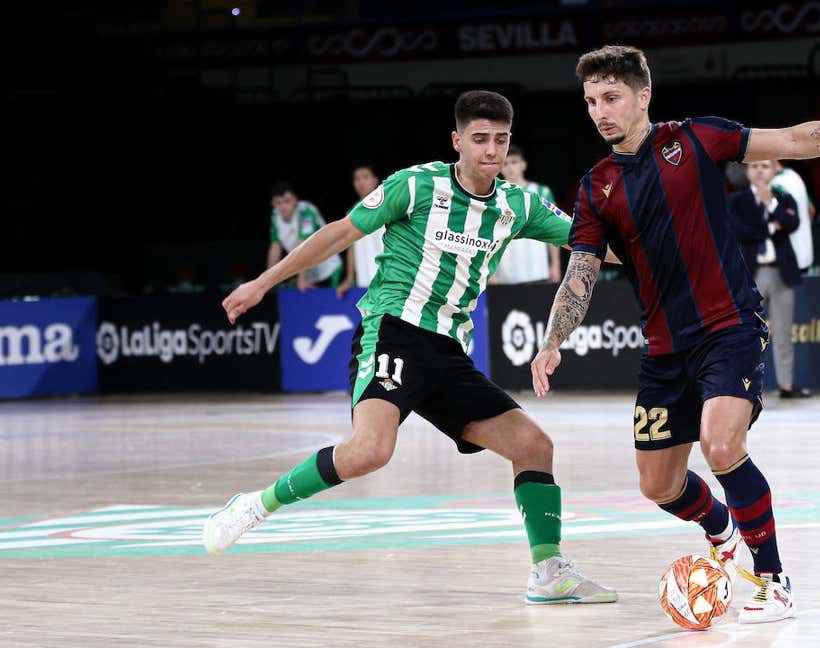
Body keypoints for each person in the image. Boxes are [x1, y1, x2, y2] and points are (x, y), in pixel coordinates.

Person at [530, 44, 820, 623]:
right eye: (591, 101)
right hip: (664, 350)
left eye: (611, 97)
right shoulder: (597, 186)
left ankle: (773, 577)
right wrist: (552, 338)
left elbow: (793, 140)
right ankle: (721, 527)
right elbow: (581, 272)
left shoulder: (694, 138)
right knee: (657, 484)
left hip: (730, 326)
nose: (599, 111)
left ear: (644, 95)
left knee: (720, 443)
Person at [205, 90, 617, 606]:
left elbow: (594, 244)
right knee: (370, 452)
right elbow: (337, 234)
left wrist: (673, 245)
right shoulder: (416, 185)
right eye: (480, 139)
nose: (491, 151)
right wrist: (264, 283)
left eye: (501, 140)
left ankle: (548, 572)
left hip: (448, 353)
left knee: (535, 446)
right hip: (394, 329)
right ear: (457, 140)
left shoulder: (520, 205)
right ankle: (256, 505)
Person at [729, 160, 803, 399]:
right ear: (748, 172)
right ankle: (745, 386)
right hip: (752, 273)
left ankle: (786, 386)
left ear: (774, 171)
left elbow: (792, 223)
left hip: (780, 271)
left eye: (765, 166)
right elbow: (741, 231)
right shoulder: (737, 201)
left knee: (783, 332)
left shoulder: (783, 197)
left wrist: (770, 203)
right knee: (747, 332)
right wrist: (772, 226)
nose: (760, 170)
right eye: (754, 166)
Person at [492, 145, 563, 284]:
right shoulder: (494, 195)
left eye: (514, 162)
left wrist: (555, 265)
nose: (510, 167)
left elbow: (553, 230)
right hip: (506, 272)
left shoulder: (541, 191)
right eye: (505, 163)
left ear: (523, 165)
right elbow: (490, 234)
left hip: (537, 269)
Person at [266, 183, 343, 291]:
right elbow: (275, 246)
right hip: (307, 272)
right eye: (278, 202)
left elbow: (305, 245)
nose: (283, 206)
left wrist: (302, 279)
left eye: (287, 201)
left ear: (295, 200)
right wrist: (267, 280)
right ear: (273, 204)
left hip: (329, 269)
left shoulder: (306, 211)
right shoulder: (275, 216)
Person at [337, 164, 385, 299]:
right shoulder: (352, 212)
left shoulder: (389, 207)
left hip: (388, 279)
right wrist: (349, 278)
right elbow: (351, 247)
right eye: (356, 179)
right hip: (364, 280)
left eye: (365, 177)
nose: (360, 182)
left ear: (375, 180)